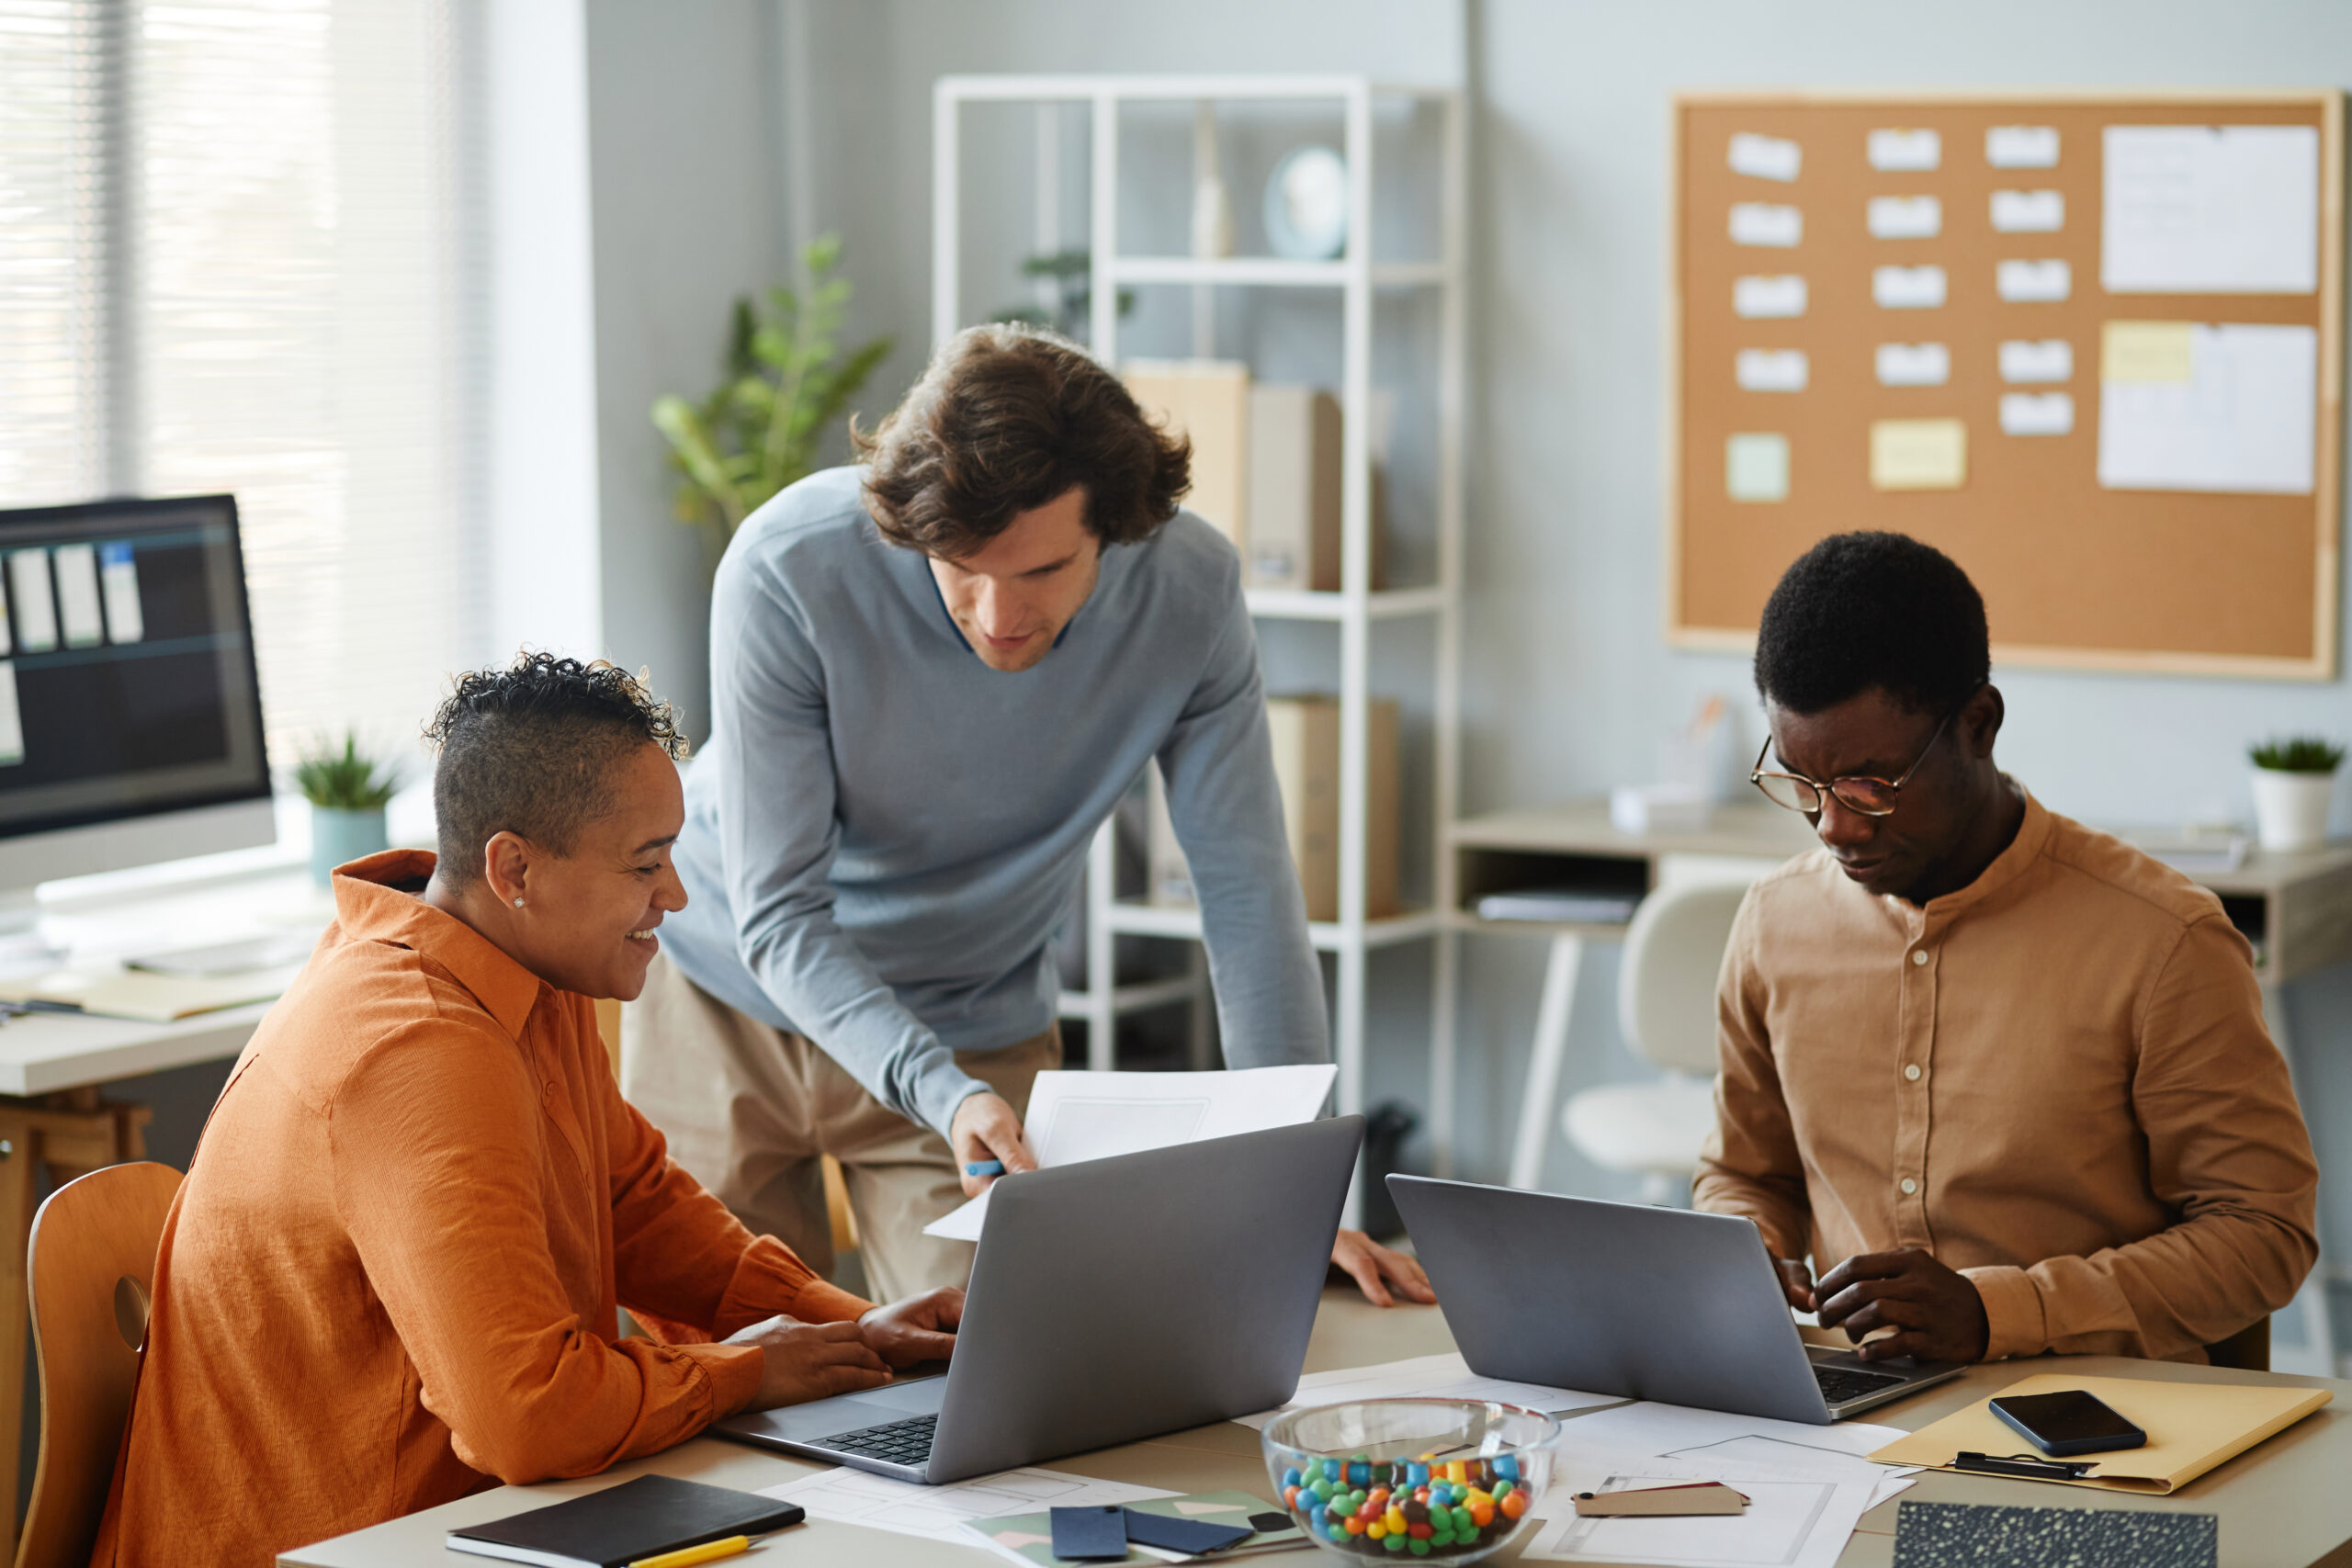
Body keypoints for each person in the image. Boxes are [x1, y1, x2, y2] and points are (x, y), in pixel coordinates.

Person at [624, 322, 1430, 1307]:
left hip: (969, 1017)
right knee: (730, 1374)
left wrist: (1301, 1198)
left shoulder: (1190, 595)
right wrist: (938, 1087)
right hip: (728, 1001)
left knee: (997, 1373)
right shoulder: (788, 568)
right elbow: (781, 913)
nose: (997, 615)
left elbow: (1248, 901)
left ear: (1117, 532)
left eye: (1042, 572)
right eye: (959, 566)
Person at [94, 655, 962, 1567]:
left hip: (469, 1524)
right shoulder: (414, 1051)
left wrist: (845, 1331)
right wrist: (748, 1371)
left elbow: (640, 1207)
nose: (676, 895)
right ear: (514, 868)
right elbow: (527, 1416)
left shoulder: (519, 971)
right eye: (645, 865)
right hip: (344, 1545)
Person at [1694, 532, 2319, 1365]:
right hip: (1850, 1417)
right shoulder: (1775, 923)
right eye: (1801, 785)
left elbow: (2263, 1232)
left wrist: (2003, 1312)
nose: (1834, 825)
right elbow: (1743, 1174)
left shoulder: (2165, 942)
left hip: (2096, 1422)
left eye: (1869, 785)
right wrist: (1748, 1254)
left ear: (1978, 726)